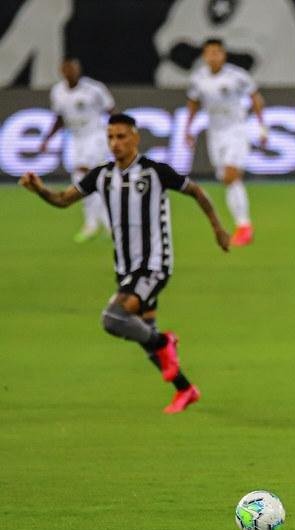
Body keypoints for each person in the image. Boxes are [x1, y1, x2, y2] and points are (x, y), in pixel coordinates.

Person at [19, 113, 231, 414]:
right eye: (110, 137)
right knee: (140, 329)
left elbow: (196, 191)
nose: (115, 143)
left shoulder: (154, 172)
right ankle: (185, 389)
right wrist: (39, 189)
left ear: (135, 138)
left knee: (114, 318)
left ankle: (164, 342)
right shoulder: (102, 175)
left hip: (155, 264)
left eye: (121, 136)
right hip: (126, 269)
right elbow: (63, 200)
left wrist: (218, 228)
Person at [184, 37, 266, 247]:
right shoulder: (198, 79)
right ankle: (243, 226)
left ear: (223, 54)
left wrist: (262, 127)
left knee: (231, 175)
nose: (213, 57)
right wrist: (188, 129)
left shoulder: (236, 76)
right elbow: (193, 103)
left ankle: (244, 226)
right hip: (215, 133)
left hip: (236, 130)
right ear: (204, 55)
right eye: (209, 53)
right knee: (227, 180)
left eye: (217, 52)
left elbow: (255, 98)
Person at [39, 56, 115, 243]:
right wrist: (47, 139)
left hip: (95, 135)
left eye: (73, 68)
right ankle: (104, 222)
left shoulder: (94, 89)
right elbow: (59, 118)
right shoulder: (58, 92)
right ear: (61, 71)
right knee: (86, 179)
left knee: (84, 174)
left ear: (78, 69)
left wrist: (118, 134)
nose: (70, 72)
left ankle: (93, 224)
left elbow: (111, 110)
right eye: (66, 69)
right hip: (75, 138)